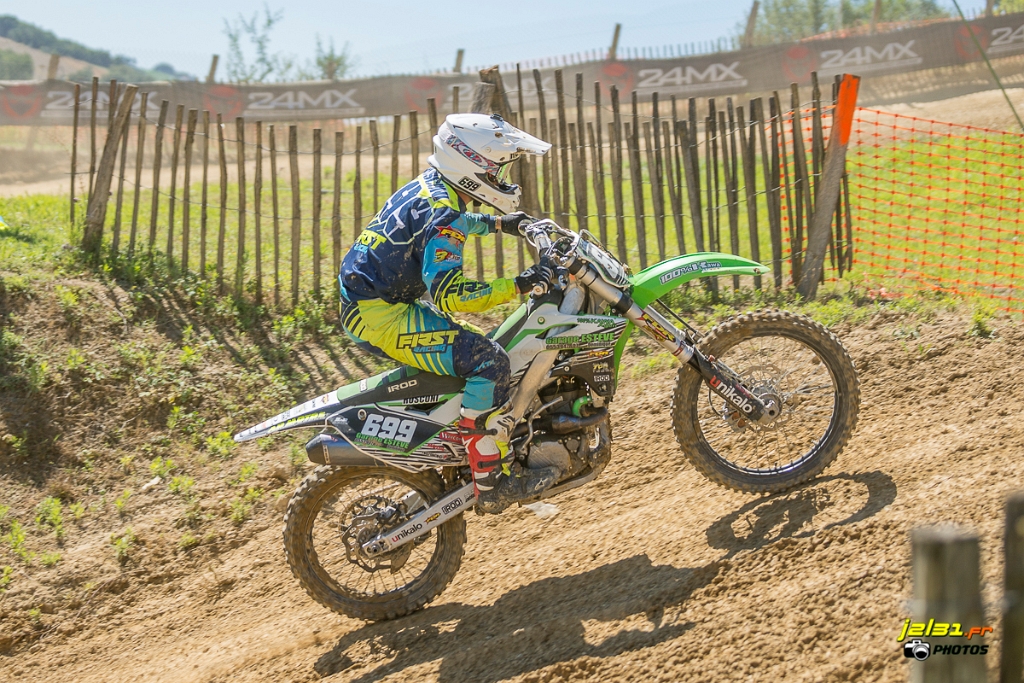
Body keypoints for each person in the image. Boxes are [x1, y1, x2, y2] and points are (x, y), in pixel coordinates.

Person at [338, 113, 557, 513]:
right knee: (489, 362)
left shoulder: (433, 188)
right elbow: (450, 294)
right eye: (497, 169)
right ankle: (490, 481)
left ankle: (465, 434)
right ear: (472, 165)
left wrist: (499, 224)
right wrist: (519, 284)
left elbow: (451, 221)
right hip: (378, 314)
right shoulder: (444, 213)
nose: (502, 178)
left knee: (478, 349)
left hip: (378, 299)